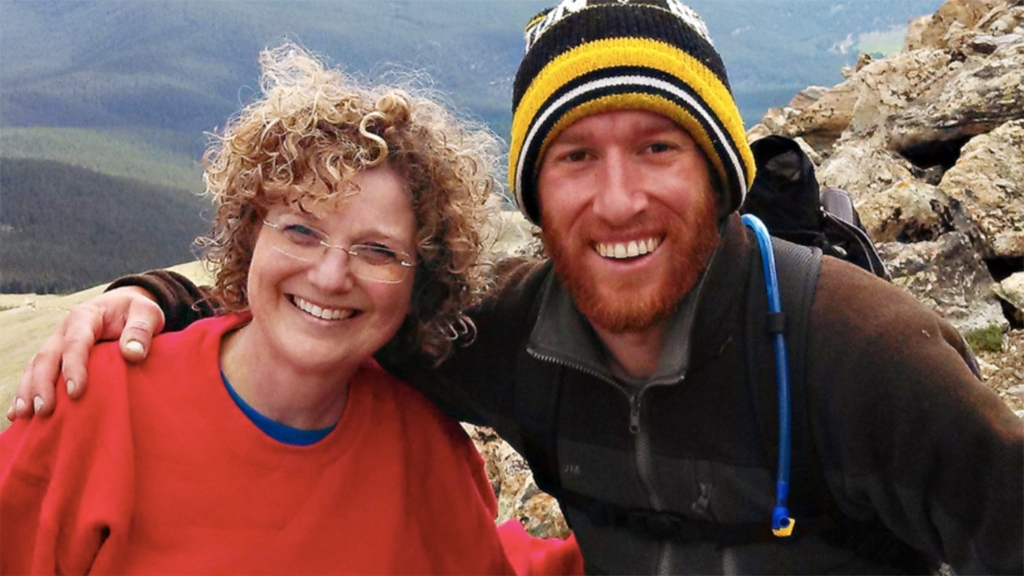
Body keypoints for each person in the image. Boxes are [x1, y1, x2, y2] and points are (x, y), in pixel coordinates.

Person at [10, 1, 1023, 573]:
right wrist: (155, 297)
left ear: (719, 171)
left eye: (659, 147)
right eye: (574, 156)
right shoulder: (499, 332)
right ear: (533, 194)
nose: (618, 199)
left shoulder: (859, 352)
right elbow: (314, 308)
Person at [0, 43, 582, 574]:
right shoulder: (92, 405)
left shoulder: (423, 449)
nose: (330, 276)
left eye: (378, 250)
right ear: (251, 233)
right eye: (302, 231)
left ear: (420, 283)